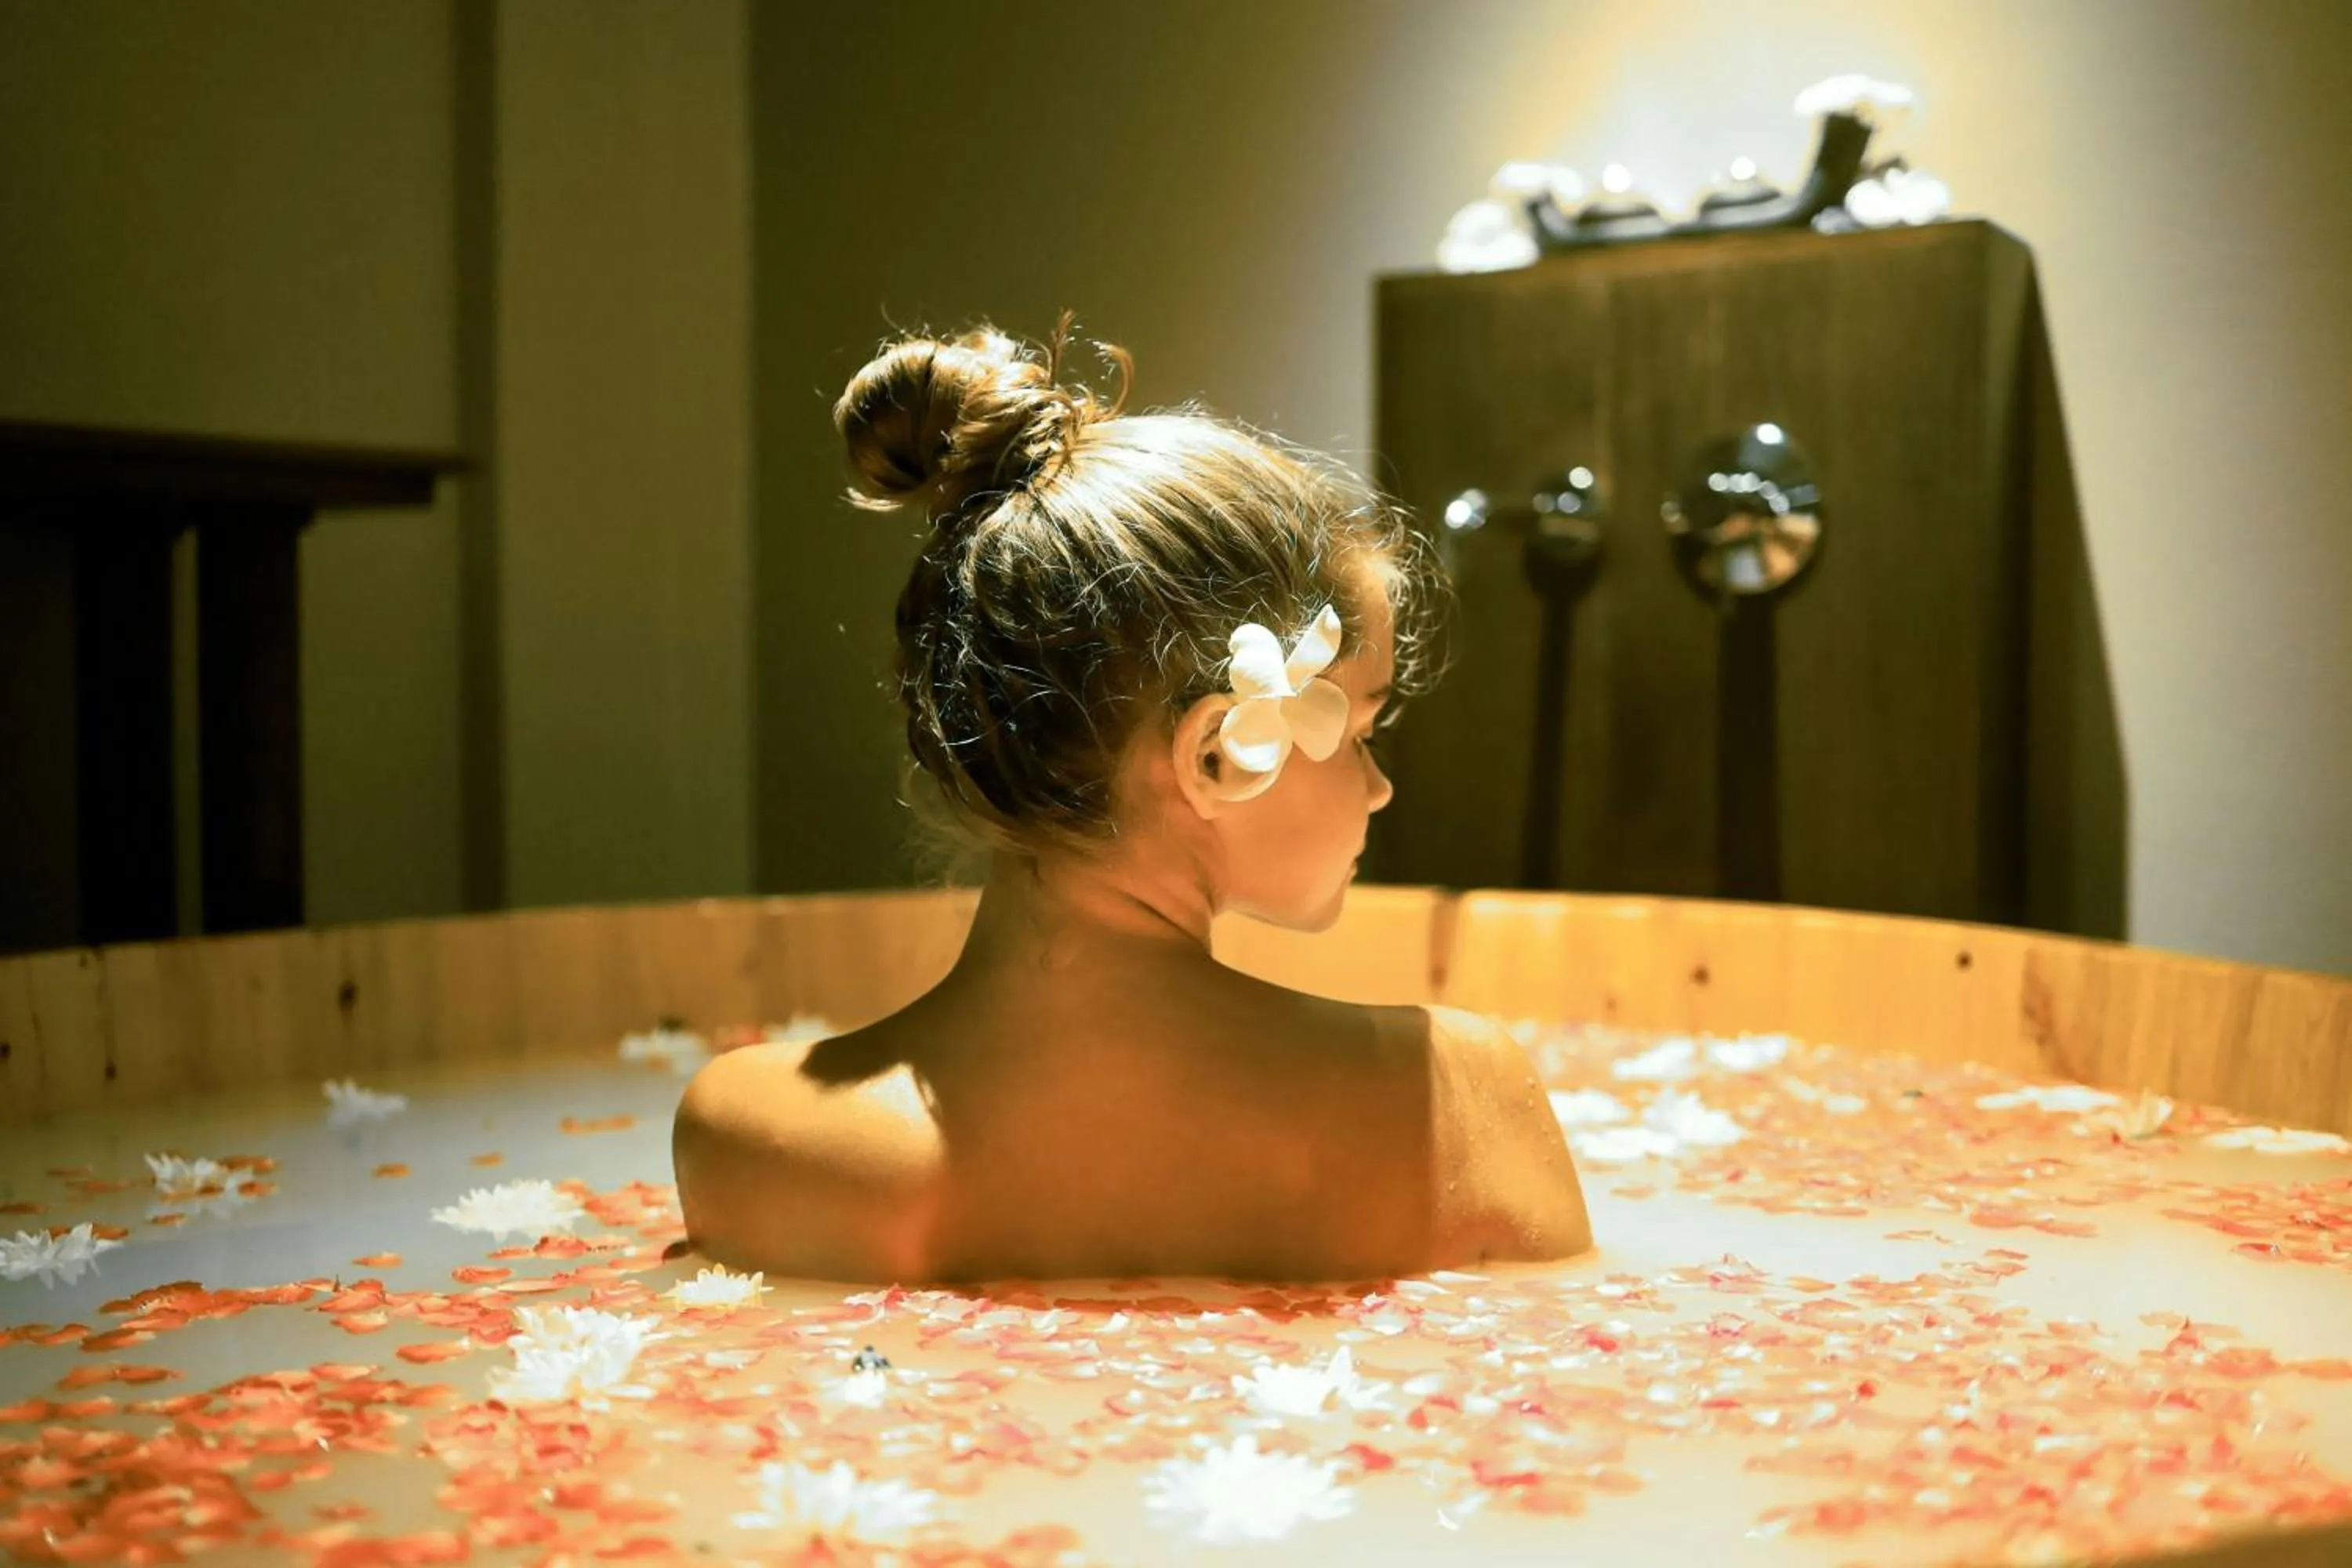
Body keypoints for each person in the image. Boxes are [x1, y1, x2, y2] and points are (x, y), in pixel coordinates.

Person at [674, 320, 1590, 1283]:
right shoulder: (1457, 1105)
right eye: (1360, 729)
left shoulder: (750, 1135)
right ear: (1218, 754)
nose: (1379, 783)